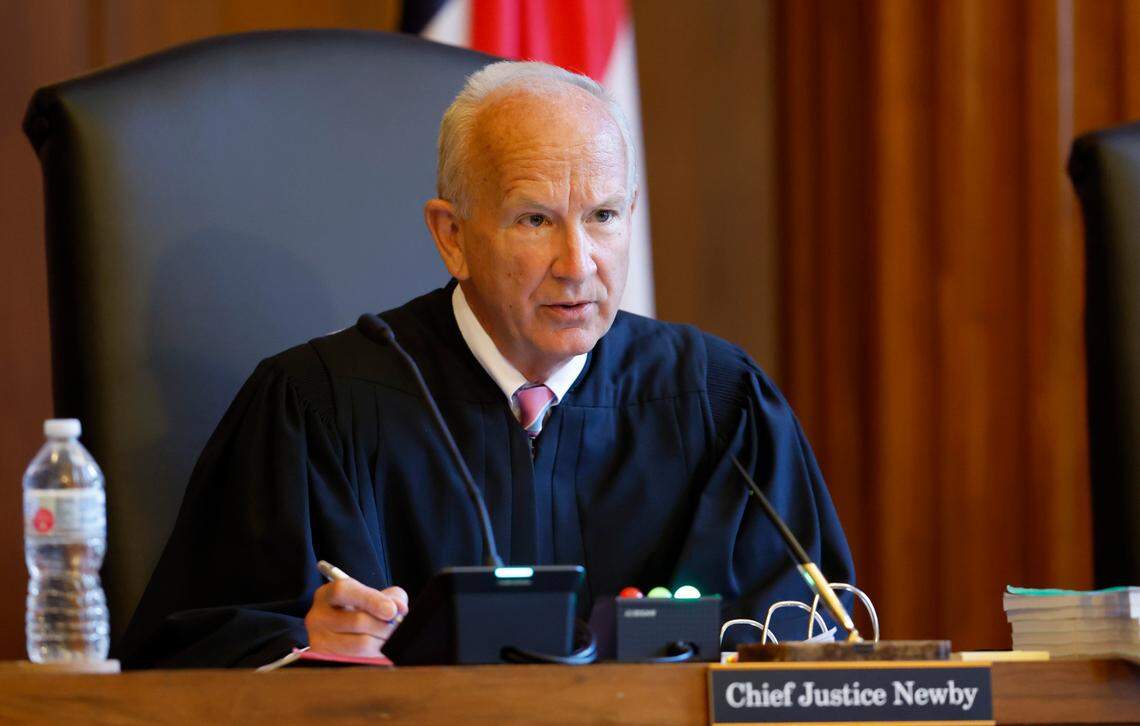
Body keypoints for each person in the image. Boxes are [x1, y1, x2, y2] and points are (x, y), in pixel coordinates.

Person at [118, 61, 854, 668]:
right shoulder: (319, 409)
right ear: (452, 236)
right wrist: (303, 646)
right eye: (535, 219)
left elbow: (806, 647)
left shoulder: (719, 403)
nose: (578, 264)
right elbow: (190, 649)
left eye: (602, 216)